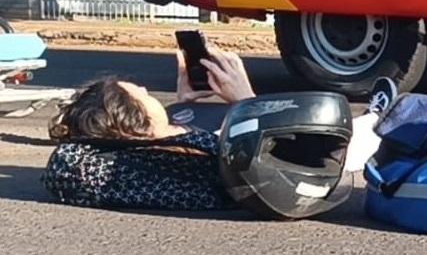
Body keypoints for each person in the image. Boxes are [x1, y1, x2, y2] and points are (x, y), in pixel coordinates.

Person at [42, 47, 391, 211]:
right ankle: (384, 114)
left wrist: (185, 106)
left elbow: (165, 138)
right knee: (385, 121)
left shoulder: (126, 158)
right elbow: (281, 142)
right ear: (138, 123)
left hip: (261, 165)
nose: (150, 94)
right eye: (143, 96)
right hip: (307, 162)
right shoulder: (190, 148)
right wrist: (245, 97)